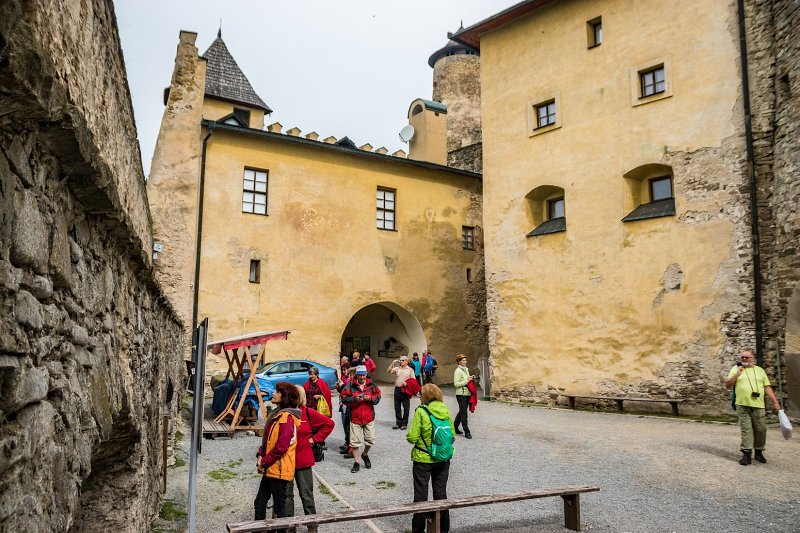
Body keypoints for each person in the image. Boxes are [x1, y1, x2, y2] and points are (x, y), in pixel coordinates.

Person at [283, 386, 335, 532]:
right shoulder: (285, 413)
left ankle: (312, 525)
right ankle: (290, 526)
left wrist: (315, 439)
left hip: (303, 461)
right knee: (287, 495)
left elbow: (329, 424)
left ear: (299, 397)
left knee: (306, 494)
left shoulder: (308, 413)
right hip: (286, 461)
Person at [406, 384, 455, 533]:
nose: (419, 396)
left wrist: (410, 437)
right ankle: (443, 529)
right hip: (442, 458)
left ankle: (418, 529)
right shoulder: (445, 409)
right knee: (441, 494)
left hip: (423, 459)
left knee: (421, 495)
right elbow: (452, 435)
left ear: (426, 396)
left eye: (421, 394)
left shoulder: (421, 411)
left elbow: (412, 437)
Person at [254, 382, 302, 528]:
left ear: (285, 396)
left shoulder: (287, 418)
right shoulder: (277, 414)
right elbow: (267, 439)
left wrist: (265, 461)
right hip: (272, 468)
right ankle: (259, 530)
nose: (273, 393)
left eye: (277, 391)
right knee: (260, 502)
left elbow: (281, 447)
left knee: (280, 508)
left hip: (279, 470)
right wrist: (260, 454)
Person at [725, 349, 781, 465]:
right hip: (742, 404)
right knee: (746, 429)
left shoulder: (760, 371)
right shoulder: (736, 369)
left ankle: (759, 452)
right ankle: (746, 454)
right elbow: (728, 385)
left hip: (758, 404)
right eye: (742, 357)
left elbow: (767, 387)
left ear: (753, 359)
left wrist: (775, 402)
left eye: (747, 357)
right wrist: (737, 374)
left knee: (761, 429)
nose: (744, 359)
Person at [340, 365, 381, 472]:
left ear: (366, 374)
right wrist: (354, 399)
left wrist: (370, 398)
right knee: (354, 442)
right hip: (355, 417)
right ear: (357, 375)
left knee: (370, 440)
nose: (362, 377)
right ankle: (356, 462)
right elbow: (344, 399)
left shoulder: (371, 384)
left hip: (368, 417)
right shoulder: (350, 385)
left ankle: (365, 454)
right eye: (360, 375)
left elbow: (378, 396)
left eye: (363, 375)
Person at [389, 355, 416, 430]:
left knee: (406, 407)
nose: (401, 361)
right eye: (400, 360)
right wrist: (392, 363)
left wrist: (407, 384)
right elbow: (389, 371)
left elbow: (414, 381)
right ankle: (398, 423)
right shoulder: (397, 368)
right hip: (397, 389)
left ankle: (404, 424)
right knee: (397, 407)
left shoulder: (410, 370)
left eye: (403, 360)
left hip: (405, 390)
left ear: (407, 361)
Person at [453, 354, 474, 439]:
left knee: (462, 411)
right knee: (464, 413)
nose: (465, 362)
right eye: (463, 360)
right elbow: (456, 384)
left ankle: (454, 427)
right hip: (461, 394)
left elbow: (466, 379)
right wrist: (467, 381)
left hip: (467, 393)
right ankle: (467, 431)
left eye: (465, 360)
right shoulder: (458, 371)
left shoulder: (465, 370)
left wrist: (470, 378)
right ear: (459, 362)